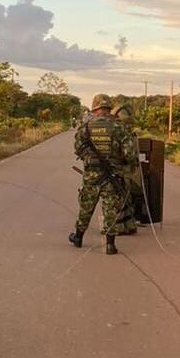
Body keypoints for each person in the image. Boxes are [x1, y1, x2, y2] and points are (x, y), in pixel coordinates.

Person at [69, 94, 132, 255]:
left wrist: (90, 159)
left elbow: (78, 148)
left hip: (91, 175)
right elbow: (129, 153)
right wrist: (122, 165)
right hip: (112, 175)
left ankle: (78, 237)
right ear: (109, 109)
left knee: (86, 206)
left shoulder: (87, 126)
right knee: (110, 208)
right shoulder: (118, 127)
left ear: (95, 108)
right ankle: (110, 245)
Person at [111, 104, 142, 235]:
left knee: (118, 197)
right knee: (127, 197)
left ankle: (119, 226)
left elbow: (127, 152)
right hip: (129, 169)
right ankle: (129, 224)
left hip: (121, 168)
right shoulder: (130, 131)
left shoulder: (119, 131)